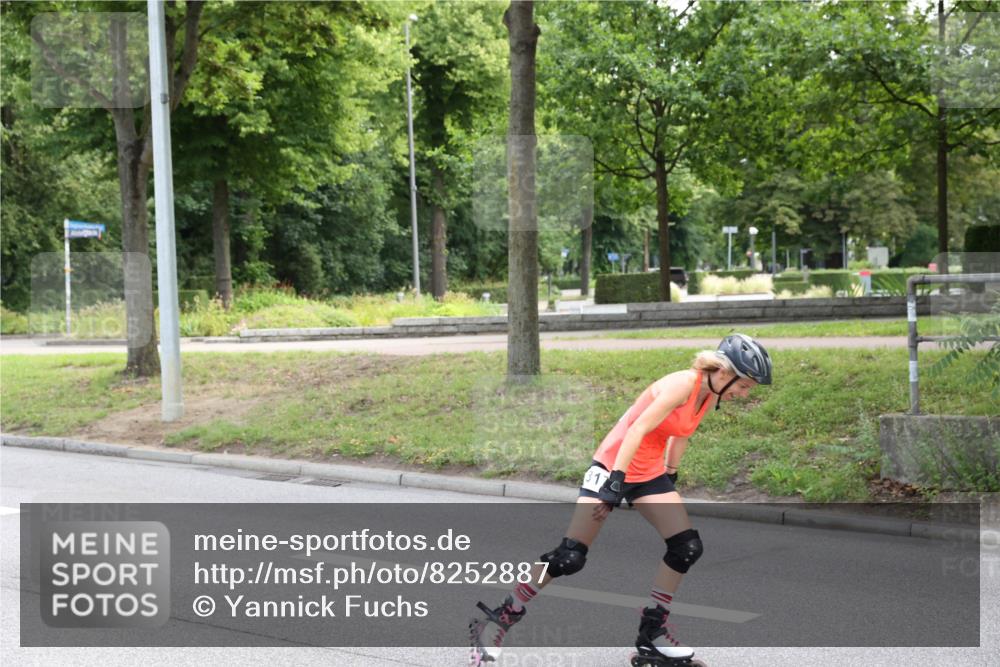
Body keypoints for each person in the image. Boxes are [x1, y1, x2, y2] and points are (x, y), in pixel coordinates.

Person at [469, 334, 773, 666]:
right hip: (613, 464)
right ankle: (499, 618)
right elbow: (637, 428)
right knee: (569, 557)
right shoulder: (683, 383)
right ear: (725, 372)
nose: (744, 394)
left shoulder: (707, 395)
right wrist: (615, 480)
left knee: (686, 546)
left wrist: (670, 473)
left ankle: (651, 634)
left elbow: (680, 434)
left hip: (648, 473)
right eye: (744, 386)